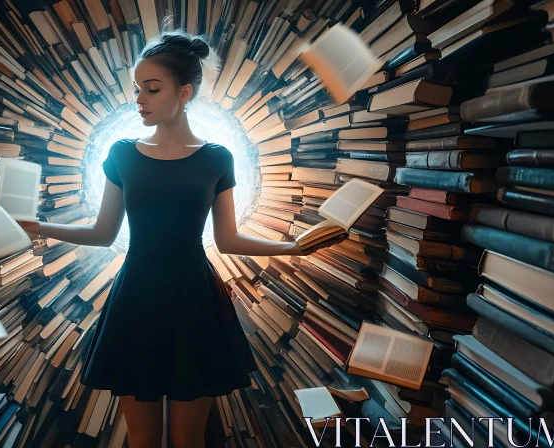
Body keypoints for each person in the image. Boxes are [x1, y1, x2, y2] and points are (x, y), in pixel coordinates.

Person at [19, 31, 343, 448]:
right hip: (136, 299)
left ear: (184, 91)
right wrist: (42, 227)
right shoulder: (121, 153)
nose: (140, 99)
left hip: (196, 302)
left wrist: (292, 247)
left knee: (190, 440)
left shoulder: (217, 157)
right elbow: (103, 233)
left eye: (152, 89)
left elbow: (227, 239)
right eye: (137, 90)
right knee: (143, 441)